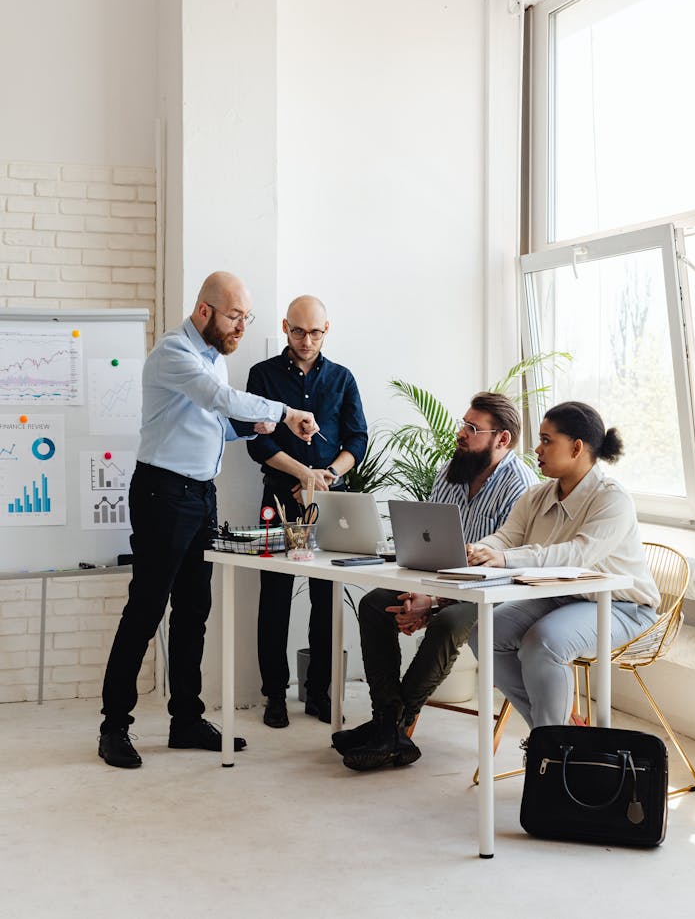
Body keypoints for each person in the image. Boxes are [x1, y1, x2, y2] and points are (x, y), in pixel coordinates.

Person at [98, 272, 319, 769]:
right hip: (162, 494)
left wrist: (247, 427)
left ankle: (186, 720)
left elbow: (210, 420)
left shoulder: (212, 358)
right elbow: (216, 399)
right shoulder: (174, 353)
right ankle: (114, 727)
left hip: (199, 494)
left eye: (246, 318)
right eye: (235, 316)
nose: (241, 327)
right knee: (146, 609)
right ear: (205, 312)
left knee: (195, 609)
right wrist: (282, 411)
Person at [335, 392, 538, 772]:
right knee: (374, 604)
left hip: (493, 595)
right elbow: (426, 543)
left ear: (502, 439)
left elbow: (506, 570)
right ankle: (388, 723)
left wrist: (434, 603)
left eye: (472, 428)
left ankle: (390, 728)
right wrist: (421, 592)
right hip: (439, 582)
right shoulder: (450, 472)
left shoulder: (520, 486)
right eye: (463, 423)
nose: (460, 433)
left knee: (447, 622)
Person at [467, 401, 660, 729]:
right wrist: (478, 549)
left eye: (546, 440)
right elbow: (506, 538)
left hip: (621, 607)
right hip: (562, 598)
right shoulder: (536, 495)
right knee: (485, 634)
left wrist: (505, 559)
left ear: (577, 447)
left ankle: (553, 745)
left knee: (543, 643)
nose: (537, 449)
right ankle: (558, 737)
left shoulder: (612, 499)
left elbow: (575, 555)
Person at [246, 296, 368, 728]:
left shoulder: (342, 378)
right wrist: (303, 474)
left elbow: (357, 439)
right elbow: (258, 443)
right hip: (279, 499)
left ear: (326, 330)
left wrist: (327, 475)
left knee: (326, 598)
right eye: (298, 331)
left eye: (315, 332)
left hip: (329, 501)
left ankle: (319, 691)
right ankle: (274, 696)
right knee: (274, 600)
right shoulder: (262, 375)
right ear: (285, 327)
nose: (307, 340)